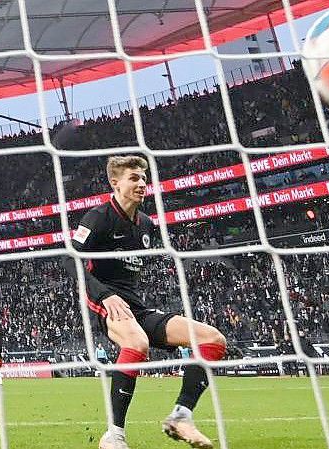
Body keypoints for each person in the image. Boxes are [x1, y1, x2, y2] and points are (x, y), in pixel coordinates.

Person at [65, 156, 227, 449]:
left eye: (143, 178)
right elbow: (69, 260)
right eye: (134, 178)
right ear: (115, 183)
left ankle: (180, 417)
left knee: (212, 339)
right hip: (104, 301)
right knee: (136, 343)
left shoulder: (146, 224)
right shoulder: (98, 217)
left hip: (135, 306)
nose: (142, 184)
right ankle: (114, 435)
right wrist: (105, 294)